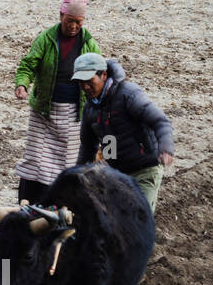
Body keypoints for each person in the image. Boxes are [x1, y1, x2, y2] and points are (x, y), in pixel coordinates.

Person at [13, 0, 101, 204]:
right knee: (35, 159)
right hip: (44, 110)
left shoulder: (89, 43)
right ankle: (27, 200)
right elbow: (28, 65)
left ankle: (58, 201)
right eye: (69, 21)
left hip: (73, 112)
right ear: (61, 16)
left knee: (66, 161)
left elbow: (100, 72)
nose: (73, 26)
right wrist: (22, 84)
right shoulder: (46, 38)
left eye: (78, 22)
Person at [73, 53, 175, 214]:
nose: (85, 87)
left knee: (139, 218)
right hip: (116, 173)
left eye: (89, 81)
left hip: (145, 169)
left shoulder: (128, 94)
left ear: (104, 75)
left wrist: (166, 148)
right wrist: (76, 177)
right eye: (81, 82)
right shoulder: (90, 108)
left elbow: (160, 122)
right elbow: (87, 147)